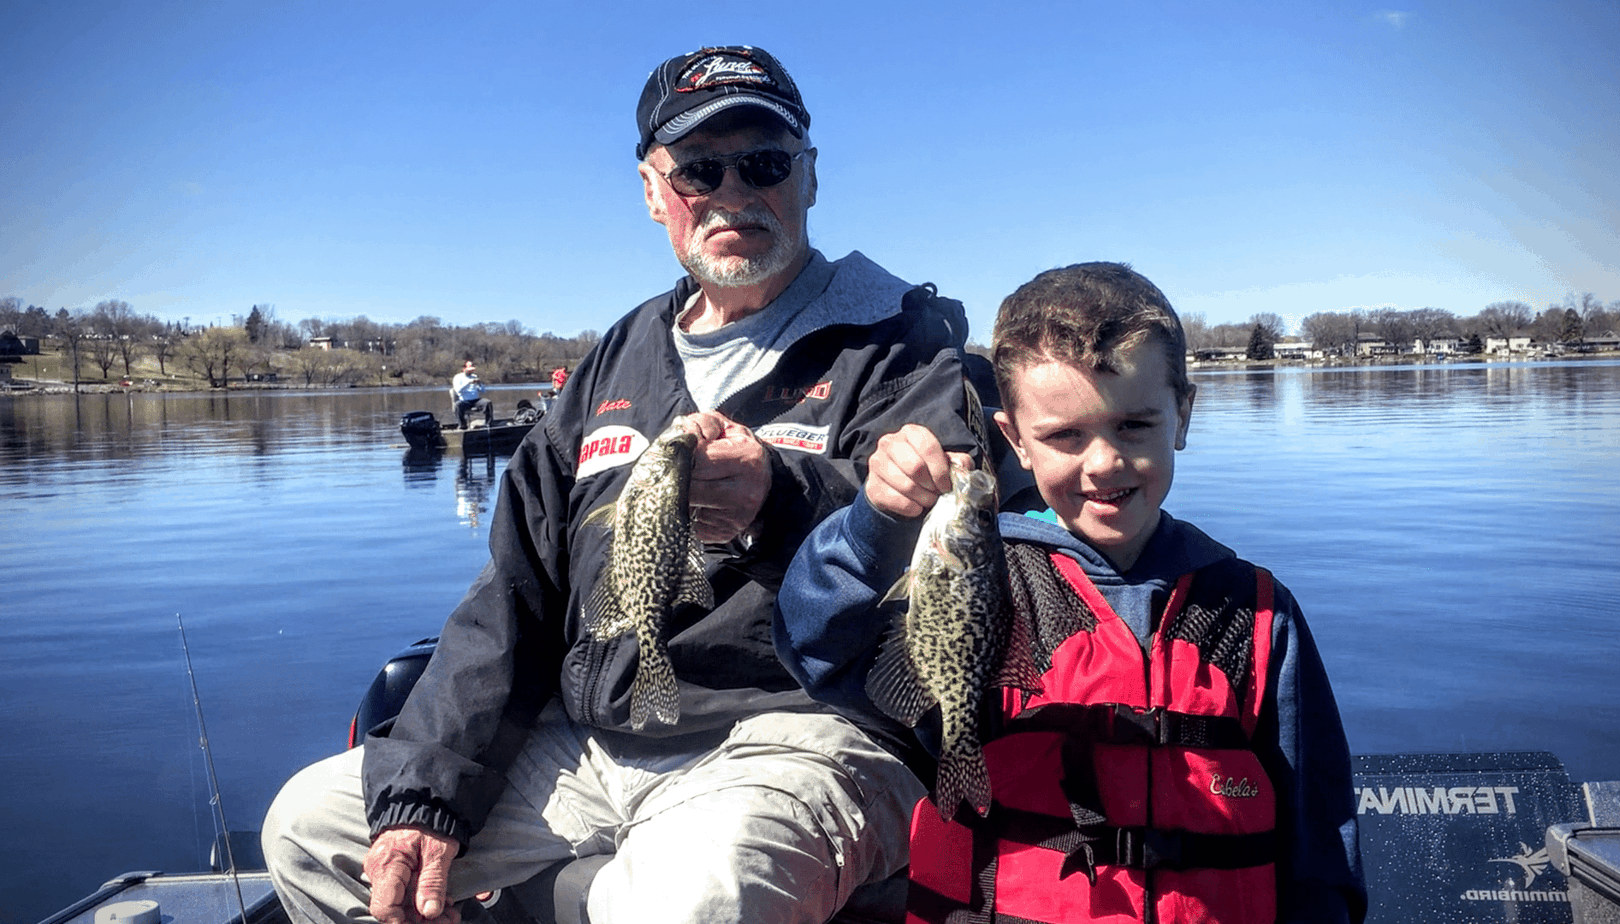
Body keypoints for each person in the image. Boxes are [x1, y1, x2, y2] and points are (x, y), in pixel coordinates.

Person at [262, 44, 979, 924]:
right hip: (590, 740)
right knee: (311, 827)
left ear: (810, 178)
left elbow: (960, 553)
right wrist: (426, 794)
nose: (732, 193)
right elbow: (513, 597)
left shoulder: (909, 346)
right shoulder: (618, 358)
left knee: (691, 898)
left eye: (762, 163)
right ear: (653, 191)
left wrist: (782, 499)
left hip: (799, 737)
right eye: (697, 171)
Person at [775, 262, 1367, 923]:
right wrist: (874, 522)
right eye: (1063, 435)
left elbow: (1319, 830)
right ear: (1015, 442)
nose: (1104, 461)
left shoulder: (1256, 614)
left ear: (1182, 415)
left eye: (1134, 425)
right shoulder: (982, 575)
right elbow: (819, 648)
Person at [451, 360, 493, 429]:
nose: (471, 372)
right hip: (464, 401)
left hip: (476, 400)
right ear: (464, 369)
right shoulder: (458, 377)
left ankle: (488, 423)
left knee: (487, 402)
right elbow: (458, 390)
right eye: (469, 370)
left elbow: (483, 391)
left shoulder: (474, 376)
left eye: (472, 370)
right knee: (457, 405)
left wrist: (480, 384)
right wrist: (468, 383)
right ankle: (462, 425)